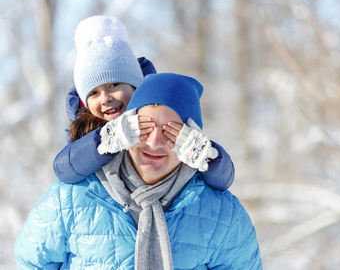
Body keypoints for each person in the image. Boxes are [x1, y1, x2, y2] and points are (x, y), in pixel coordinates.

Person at [15, 72, 262, 269]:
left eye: (171, 132)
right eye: (144, 127)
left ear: (191, 140)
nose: (154, 142)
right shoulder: (68, 199)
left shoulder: (223, 215)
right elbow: (30, 262)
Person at [53, 15, 234, 191]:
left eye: (114, 84)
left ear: (136, 85)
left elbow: (224, 179)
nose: (105, 98)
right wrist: (104, 140)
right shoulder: (84, 130)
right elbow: (64, 169)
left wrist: (207, 157)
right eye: (93, 93)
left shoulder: (162, 111)